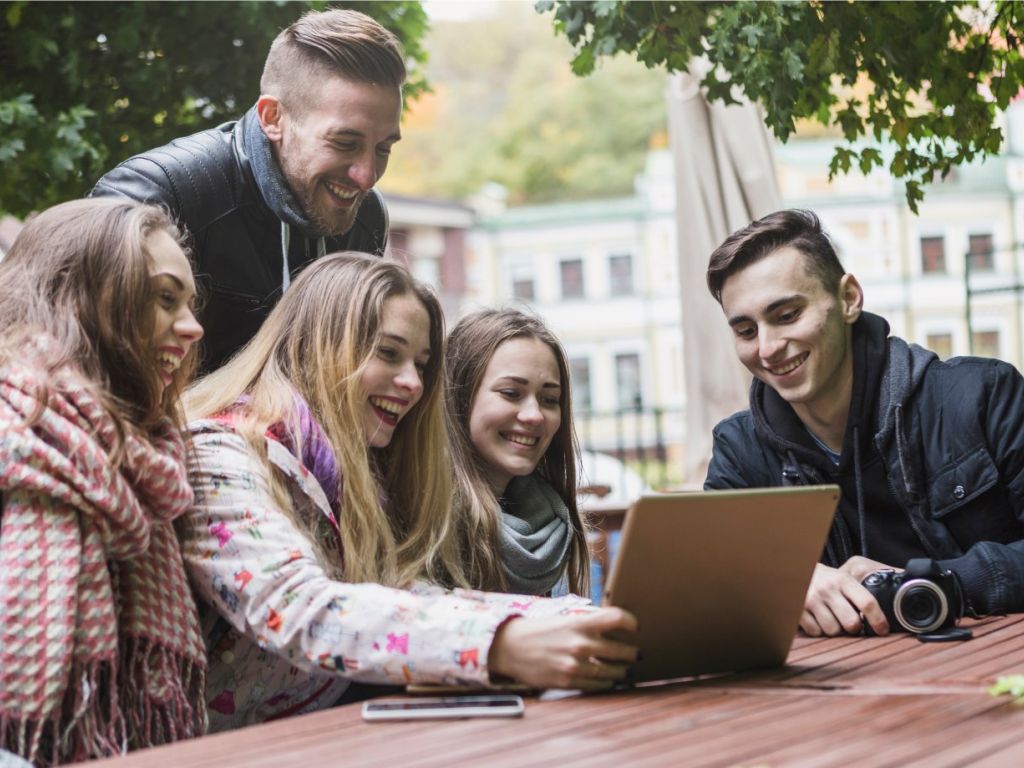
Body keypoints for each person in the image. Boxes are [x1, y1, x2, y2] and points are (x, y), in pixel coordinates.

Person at [180, 252, 638, 732]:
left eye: (420, 364)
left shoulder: (343, 474)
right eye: (388, 353)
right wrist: (502, 643)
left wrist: (571, 618)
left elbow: (402, 590)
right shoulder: (221, 452)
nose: (413, 384)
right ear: (319, 343)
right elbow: (299, 610)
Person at [703, 208, 1024, 637]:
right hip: (834, 690)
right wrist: (785, 582)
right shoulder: (740, 451)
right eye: (745, 331)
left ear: (849, 298)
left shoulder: (983, 396)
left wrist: (924, 587)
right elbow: (709, 579)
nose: (767, 348)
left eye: (786, 315)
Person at [0, 198, 206, 764]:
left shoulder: (149, 452)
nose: (193, 327)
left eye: (189, 302)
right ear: (83, 296)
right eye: (165, 299)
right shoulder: (16, 435)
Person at [90, 8, 402, 372]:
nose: (366, 177)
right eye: (345, 142)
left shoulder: (367, 217)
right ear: (273, 118)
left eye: (384, 149)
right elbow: (87, 368)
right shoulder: (157, 193)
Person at [444, 308, 590, 596]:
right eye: (511, 393)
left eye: (549, 399)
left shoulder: (552, 523)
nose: (534, 415)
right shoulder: (425, 521)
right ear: (458, 396)